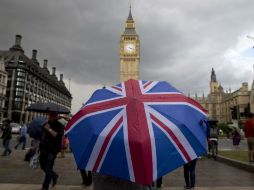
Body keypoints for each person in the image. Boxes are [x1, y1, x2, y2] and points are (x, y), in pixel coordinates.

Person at [39, 112, 64, 190]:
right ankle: (54, 175)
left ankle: (45, 186)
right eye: (49, 115)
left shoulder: (59, 125)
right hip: (43, 149)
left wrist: (49, 129)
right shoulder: (46, 123)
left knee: (48, 167)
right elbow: (42, 135)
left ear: (55, 116)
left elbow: (57, 136)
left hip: (52, 149)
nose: (49, 117)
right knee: (43, 166)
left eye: (51, 115)